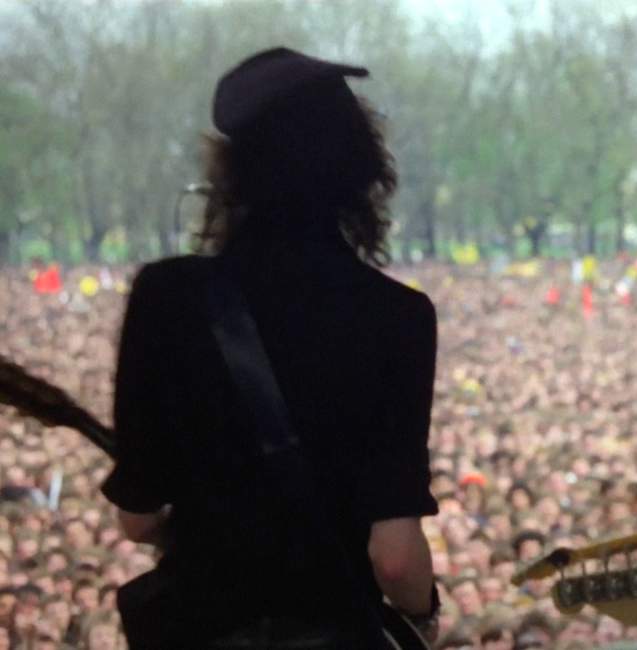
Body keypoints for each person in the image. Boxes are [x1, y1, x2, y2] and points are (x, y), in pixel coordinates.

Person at [100, 48, 439, 648]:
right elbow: (394, 558)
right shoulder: (399, 318)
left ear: (231, 173)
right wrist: (423, 617)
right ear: (362, 169)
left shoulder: (166, 297)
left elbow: (138, 517)